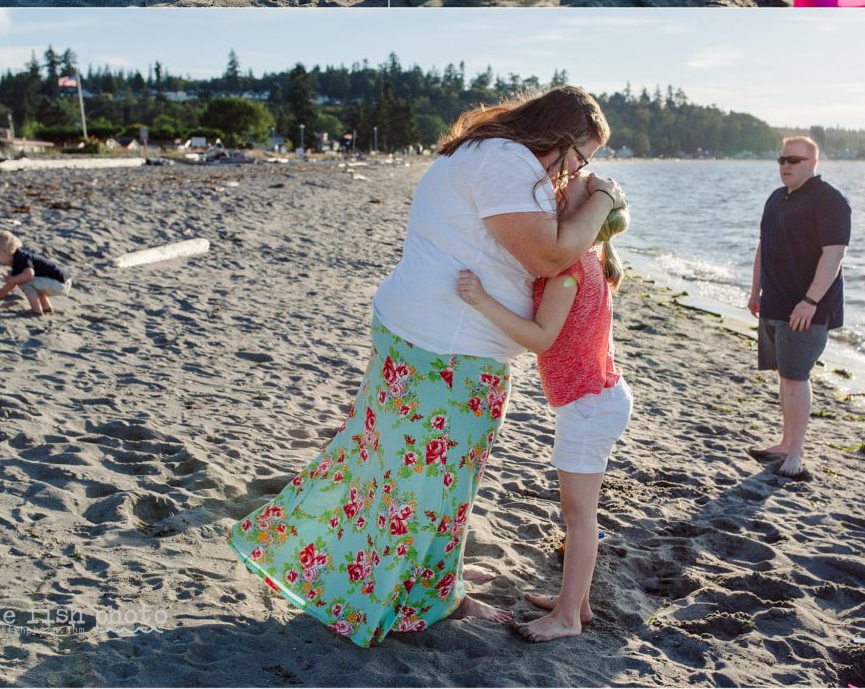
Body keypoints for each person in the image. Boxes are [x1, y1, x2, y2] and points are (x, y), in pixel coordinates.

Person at [227, 85, 626, 647]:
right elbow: (551, 255)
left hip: (429, 337)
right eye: (581, 157)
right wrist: (605, 202)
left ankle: (434, 584)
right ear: (558, 139)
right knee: (429, 480)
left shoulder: (488, 152)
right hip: (446, 349)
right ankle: (425, 595)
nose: (580, 170)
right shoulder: (505, 163)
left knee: (403, 468)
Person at [456, 176, 632, 641]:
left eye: (577, 189)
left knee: (579, 515)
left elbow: (539, 337)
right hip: (595, 398)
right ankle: (577, 602)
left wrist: (481, 300)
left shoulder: (569, 268)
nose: (564, 188)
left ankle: (569, 617)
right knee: (577, 512)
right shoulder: (584, 258)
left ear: (589, 212)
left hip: (591, 404)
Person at [747, 137, 850, 478]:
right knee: (785, 376)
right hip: (774, 302)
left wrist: (810, 302)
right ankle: (784, 442)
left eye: (794, 159)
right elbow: (764, 246)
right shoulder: (777, 198)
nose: (785, 166)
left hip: (808, 309)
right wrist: (755, 290)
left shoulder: (830, 201)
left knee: (796, 376)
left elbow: (833, 255)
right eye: (781, 159)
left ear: (813, 163)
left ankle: (796, 452)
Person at [0, 231, 72, 316]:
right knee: (24, 281)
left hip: (61, 283)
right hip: (59, 282)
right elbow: (11, 285)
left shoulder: (22, 257)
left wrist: (13, 279)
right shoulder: (16, 263)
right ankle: (45, 307)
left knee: (24, 281)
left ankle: (36, 310)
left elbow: (29, 275)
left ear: (4, 252)